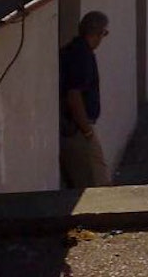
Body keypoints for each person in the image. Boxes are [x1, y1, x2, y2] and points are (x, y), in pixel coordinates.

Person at [60, 10, 110, 188]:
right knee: (97, 183)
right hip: (77, 130)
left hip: (71, 128)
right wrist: (87, 131)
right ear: (97, 33)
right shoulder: (82, 56)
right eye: (104, 33)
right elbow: (74, 95)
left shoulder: (71, 50)